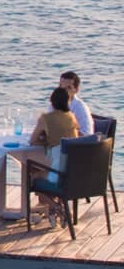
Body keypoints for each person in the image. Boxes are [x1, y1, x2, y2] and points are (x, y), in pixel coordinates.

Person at [30, 85, 80, 225]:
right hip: (72, 171)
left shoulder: (46, 118)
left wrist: (45, 141)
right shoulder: (72, 118)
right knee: (43, 169)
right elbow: (72, 140)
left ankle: (55, 206)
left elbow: (32, 141)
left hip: (58, 172)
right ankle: (55, 210)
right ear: (67, 102)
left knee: (31, 178)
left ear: (52, 102)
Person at [58, 70, 93, 136]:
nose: (63, 91)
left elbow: (87, 135)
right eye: (61, 86)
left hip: (73, 144)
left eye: (68, 88)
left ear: (76, 90)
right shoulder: (54, 104)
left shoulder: (80, 108)